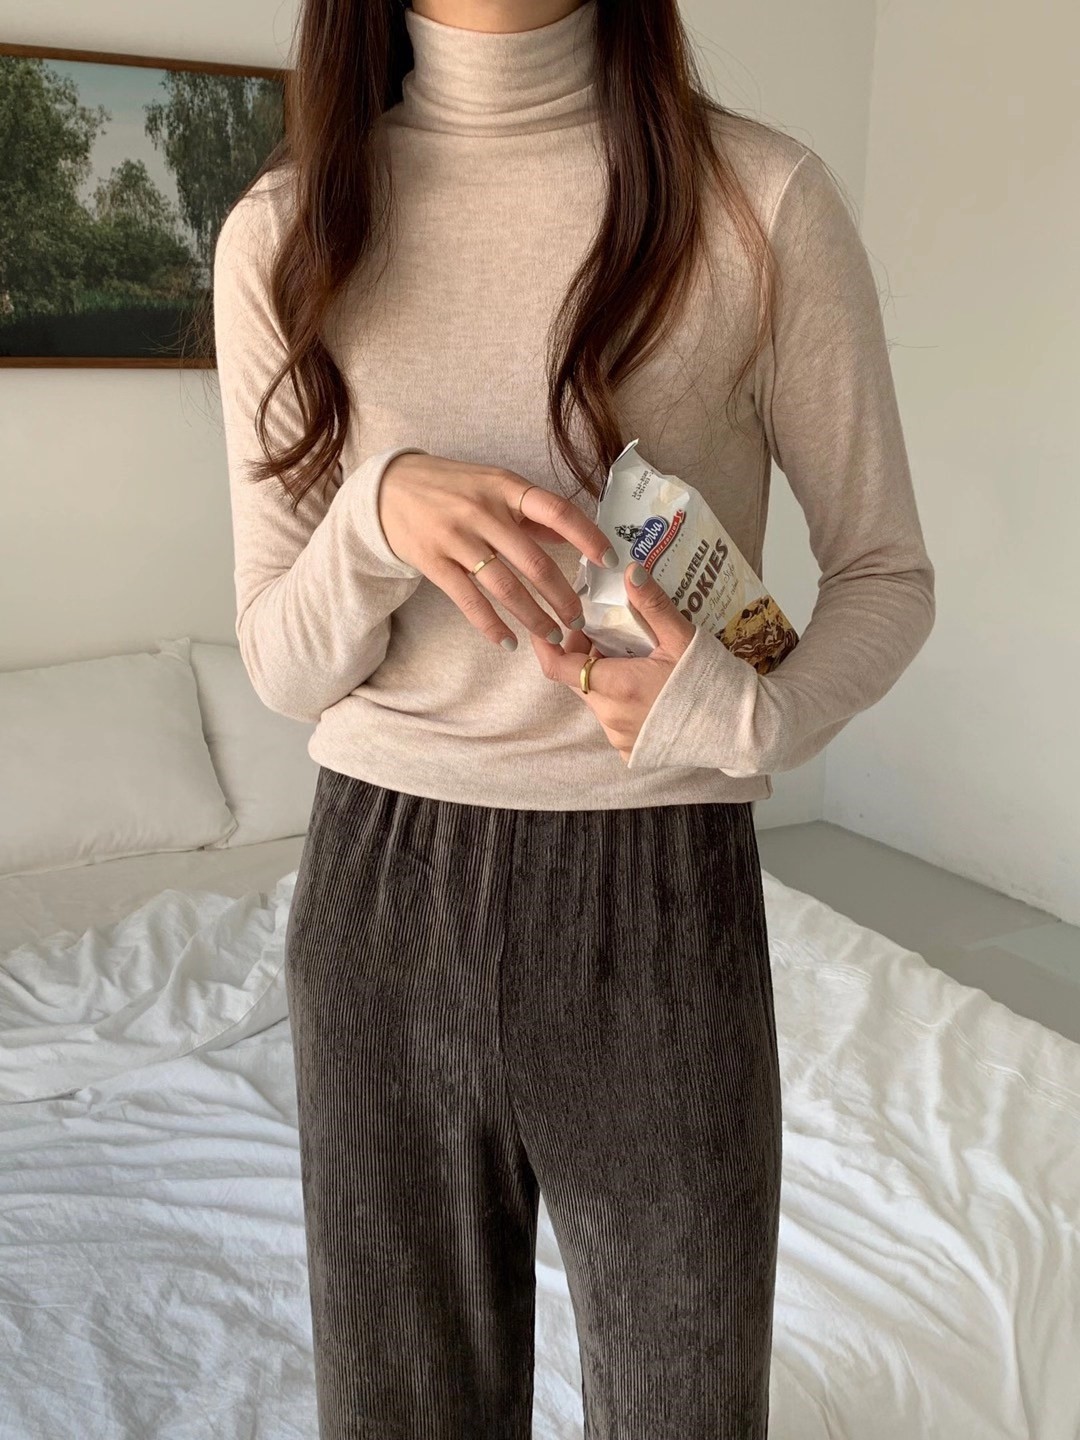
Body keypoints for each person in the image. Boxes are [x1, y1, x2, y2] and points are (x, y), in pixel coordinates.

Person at [211, 0, 936, 1434]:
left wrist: (753, 717)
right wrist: (374, 513)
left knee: (687, 1407)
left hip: (662, 891)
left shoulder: (760, 202)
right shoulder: (286, 234)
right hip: (382, 900)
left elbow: (886, 575)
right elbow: (284, 669)